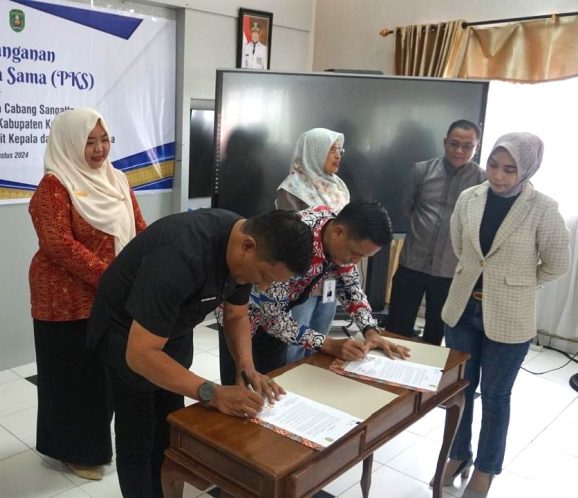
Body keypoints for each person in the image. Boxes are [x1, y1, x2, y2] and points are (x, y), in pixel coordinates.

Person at [86, 208, 312, 497]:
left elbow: (236, 315)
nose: (264, 285)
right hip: (126, 334)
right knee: (138, 434)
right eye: (265, 275)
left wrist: (246, 366)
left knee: (170, 425)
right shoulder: (179, 255)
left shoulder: (242, 248)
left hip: (174, 329)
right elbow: (140, 354)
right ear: (247, 246)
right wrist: (212, 393)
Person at [439, 132, 570, 497]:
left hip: (510, 315)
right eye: (493, 165)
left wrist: (518, 283)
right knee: (460, 389)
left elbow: (558, 263)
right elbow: (461, 245)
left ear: (527, 169)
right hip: (463, 307)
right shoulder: (470, 197)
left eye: (509, 169)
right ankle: (458, 454)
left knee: (496, 396)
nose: (497, 176)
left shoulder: (544, 207)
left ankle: (486, 467)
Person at [28, 108, 146, 481]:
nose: (99, 149)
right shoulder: (54, 186)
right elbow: (58, 244)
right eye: (89, 142)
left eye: (104, 139)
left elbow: (138, 227)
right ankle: (72, 451)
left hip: (108, 298)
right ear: (69, 143)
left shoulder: (118, 180)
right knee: (70, 378)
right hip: (63, 301)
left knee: (101, 377)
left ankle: (92, 444)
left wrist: (147, 262)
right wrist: (113, 277)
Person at [218, 201, 410, 385]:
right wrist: (328, 344)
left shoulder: (338, 231)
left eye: (363, 257)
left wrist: (370, 330)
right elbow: (272, 318)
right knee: (239, 387)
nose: (355, 261)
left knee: (273, 383)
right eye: (355, 254)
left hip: (278, 318)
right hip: (239, 318)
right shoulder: (293, 243)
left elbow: (350, 286)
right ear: (338, 233)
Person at [387, 120, 485, 345]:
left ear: (476, 147)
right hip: (412, 263)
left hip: (450, 270)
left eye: (467, 146)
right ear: (444, 142)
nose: (459, 151)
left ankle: (424, 367)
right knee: (397, 328)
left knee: (436, 332)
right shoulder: (421, 171)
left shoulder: (482, 181)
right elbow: (407, 207)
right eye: (454, 144)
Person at [276, 128, 350, 363]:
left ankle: (312, 380)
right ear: (314, 152)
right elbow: (294, 239)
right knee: (296, 342)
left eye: (339, 150)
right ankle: (290, 381)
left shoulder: (339, 187)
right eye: (331, 150)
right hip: (302, 280)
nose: (337, 156)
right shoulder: (292, 189)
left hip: (331, 278)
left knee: (321, 341)